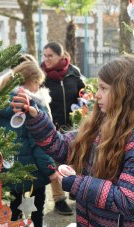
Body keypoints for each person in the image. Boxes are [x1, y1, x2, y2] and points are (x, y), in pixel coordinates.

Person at [11, 55, 134, 227]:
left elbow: (128, 198)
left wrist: (77, 183)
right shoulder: (98, 129)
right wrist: (36, 118)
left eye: (104, 89)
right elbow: (62, 147)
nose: (97, 94)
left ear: (125, 93)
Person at [0, 61, 57, 227]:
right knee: (35, 211)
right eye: (38, 82)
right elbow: (40, 143)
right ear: (31, 81)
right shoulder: (31, 105)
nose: (39, 87)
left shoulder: (5, 103)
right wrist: (50, 169)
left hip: (12, 168)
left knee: (15, 209)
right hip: (33, 171)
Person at [41, 41, 85, 215]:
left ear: (61, 55)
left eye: (50, 55)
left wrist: (82, 111)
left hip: (73, 126)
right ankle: (59, 199)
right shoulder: (42, 76)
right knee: (54, 164)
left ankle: (75, 189)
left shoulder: (74, 73)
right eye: (44, 55)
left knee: (76, 159)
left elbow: (83, 95)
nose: (46, 59)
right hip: (52, 127)